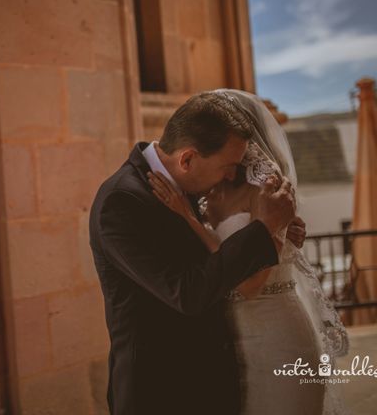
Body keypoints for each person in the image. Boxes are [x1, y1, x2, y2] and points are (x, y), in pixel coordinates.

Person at [89, 92, 304, 414]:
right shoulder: (122, 202)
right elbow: (187, 293)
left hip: (212, 379)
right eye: (228, 166)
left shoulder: (187, 184)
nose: (233, 175)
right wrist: (263, 229)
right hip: (162, 390)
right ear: (187, 159)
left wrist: (279, 234)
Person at [148, 89, 349, 414]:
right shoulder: (205, 191)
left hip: (275, 336)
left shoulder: (269, 193)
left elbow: (250, 284)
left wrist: (188, 220)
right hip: (229, 340)